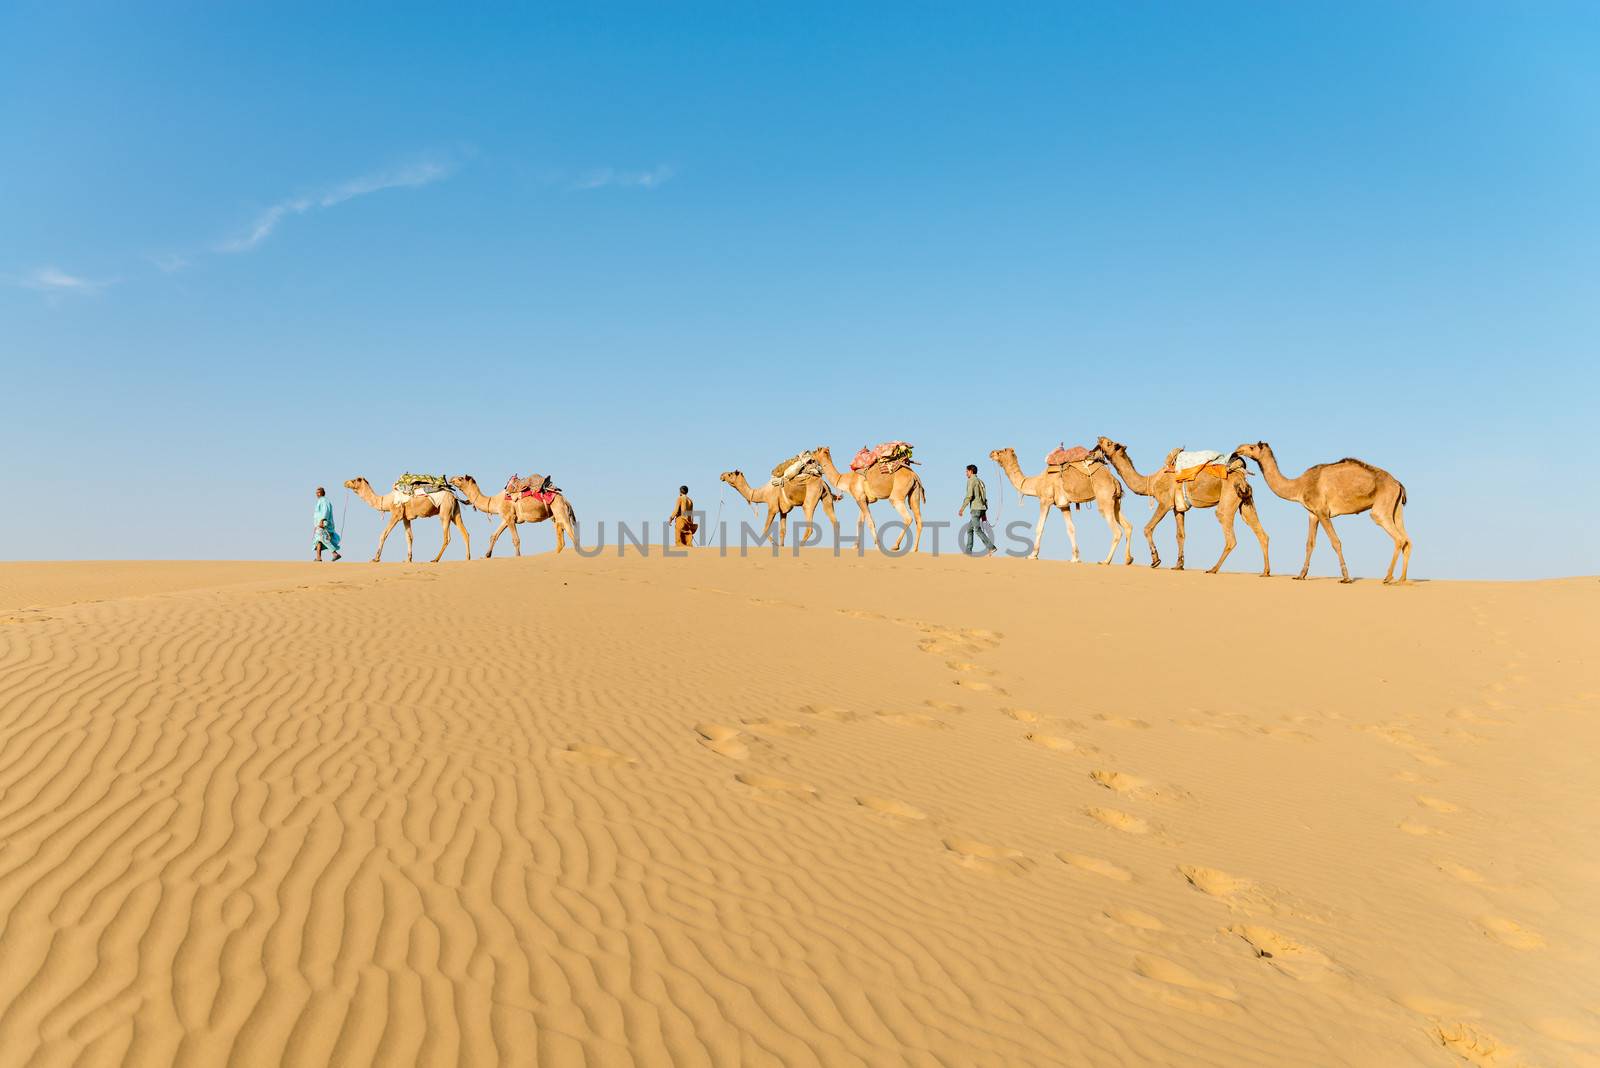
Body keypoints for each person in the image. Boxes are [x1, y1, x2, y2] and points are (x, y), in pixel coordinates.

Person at [958, 464, 996, 555]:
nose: (965, 473)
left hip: (976, 509)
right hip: (982, 508)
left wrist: (962, 509)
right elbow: (984, 497)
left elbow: (969, 496)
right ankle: (968, 550)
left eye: (967, 471)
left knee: (977, 529)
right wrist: (984, 511)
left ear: (971, 471)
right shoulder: (980, 481)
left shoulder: (972, 480)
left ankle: (991, 547)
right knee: (969, 529)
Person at [313, 487, 341, 562]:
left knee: (323, 539)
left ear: (322, 493)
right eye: (316, 493)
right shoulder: (320, 501)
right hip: (319, 525)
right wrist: (316, 525)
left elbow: (326, 511)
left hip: (323, 524)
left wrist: (322, 520)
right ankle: (318, 557)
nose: (317, 494)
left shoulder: (324, 501)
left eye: (318, 492)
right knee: (318, 540)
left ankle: (335, 553)